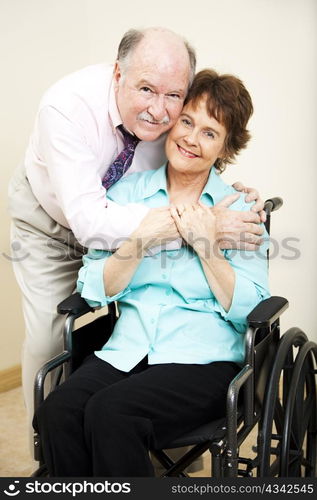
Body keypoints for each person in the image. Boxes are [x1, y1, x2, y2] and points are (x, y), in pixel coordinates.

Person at [9, 26, 264, 435]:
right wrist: (200, 225)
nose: (162, 114)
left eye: (209, 133)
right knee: (50, 358)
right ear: (118, 76)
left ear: (225, 148)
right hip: (52, 217)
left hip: (201, 354)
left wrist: (217, 215)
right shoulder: (67, 110)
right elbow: (92, 235)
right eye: (187, 123)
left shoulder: (238, 210)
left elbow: (252, 306)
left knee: (113, 415)